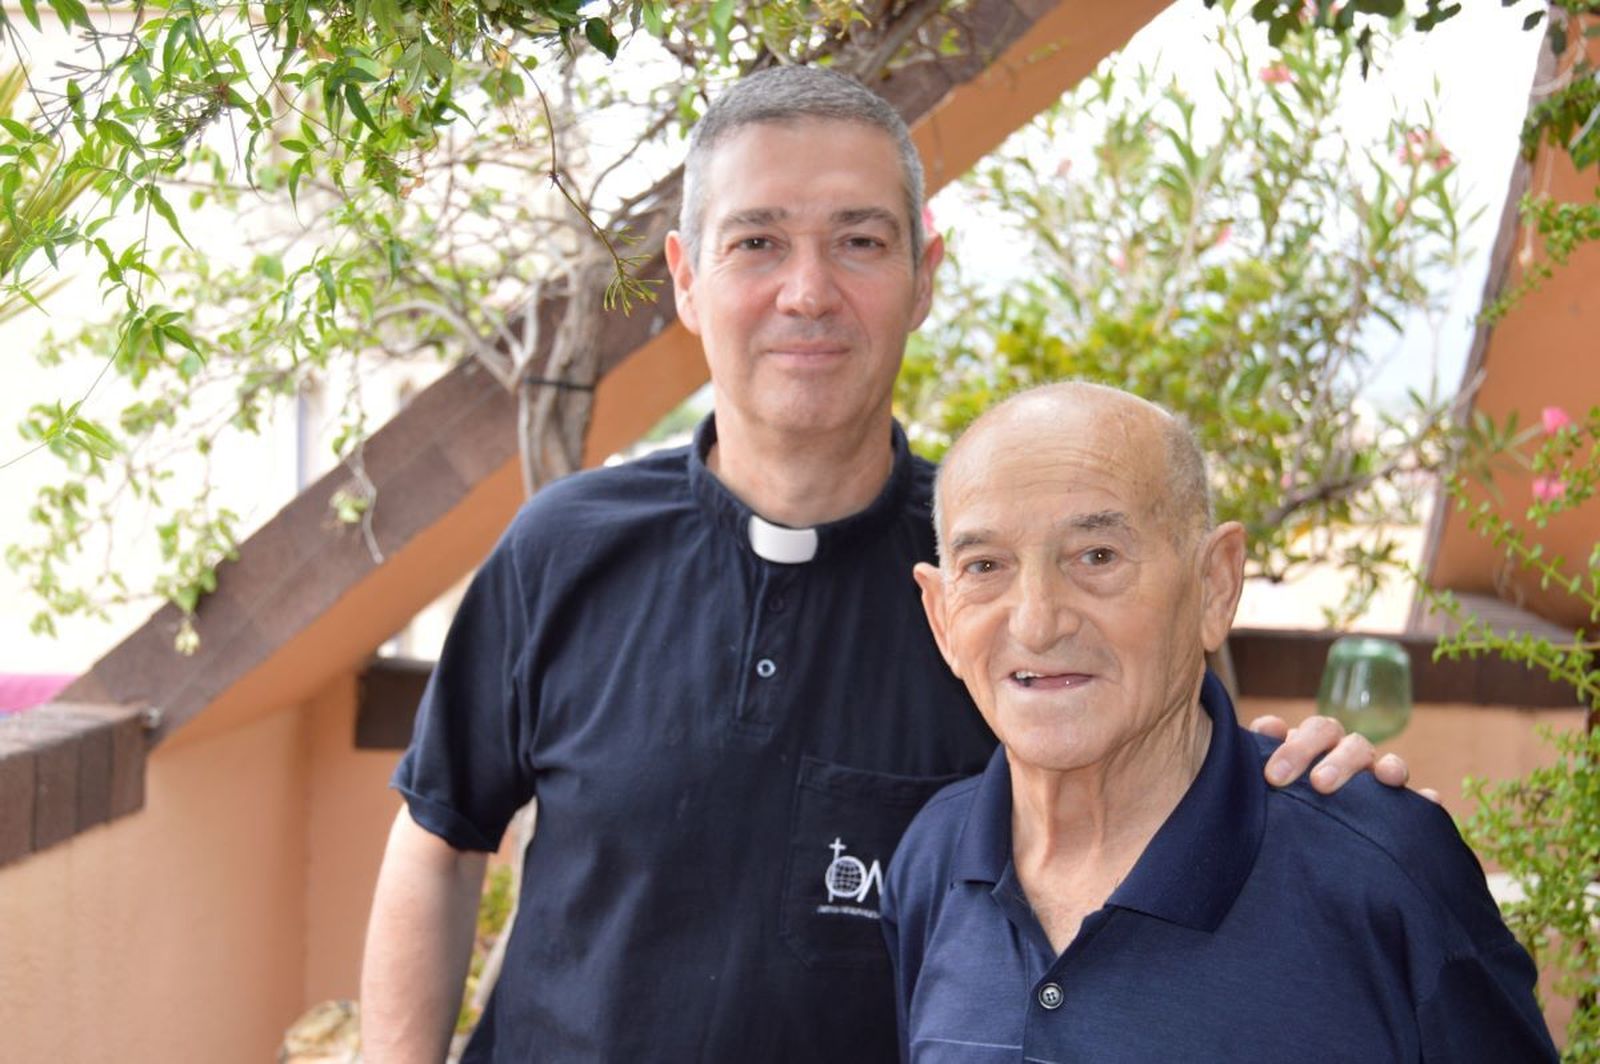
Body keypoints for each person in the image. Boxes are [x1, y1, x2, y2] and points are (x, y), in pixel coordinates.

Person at [359, 67, 1410, 1063]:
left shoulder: (1001, 586)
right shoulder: (562, 548)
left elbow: (1190, 793)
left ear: (924, 276)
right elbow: (439, 840)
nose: (807, 291)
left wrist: (1317, 793)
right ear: (686, 279)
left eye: (859, 240)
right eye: (757, 241)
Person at [883, 381, 1556, 1063]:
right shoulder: (931, 860)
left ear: (1214, 586)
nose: (1036, 620)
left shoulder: (1379, 876)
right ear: (942, 617)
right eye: (985, 566)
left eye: (1096, 557)